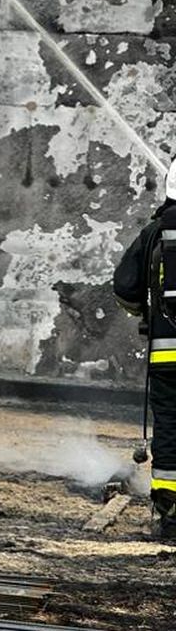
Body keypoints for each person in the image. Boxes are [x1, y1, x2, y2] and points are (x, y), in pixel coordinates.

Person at [115, 162, 176, 538]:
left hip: (167, 357)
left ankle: (171, 513)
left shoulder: (155, 233)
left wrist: (147, 312)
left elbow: (124, 287)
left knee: (170, 426)